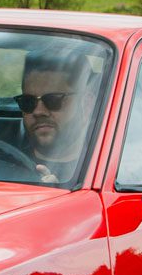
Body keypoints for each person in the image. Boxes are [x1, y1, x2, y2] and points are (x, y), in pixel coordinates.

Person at [18, 49, 91, 183]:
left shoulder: (105, 165)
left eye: (53, 100)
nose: (38, 111)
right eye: (28, 102)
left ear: (87, 103)